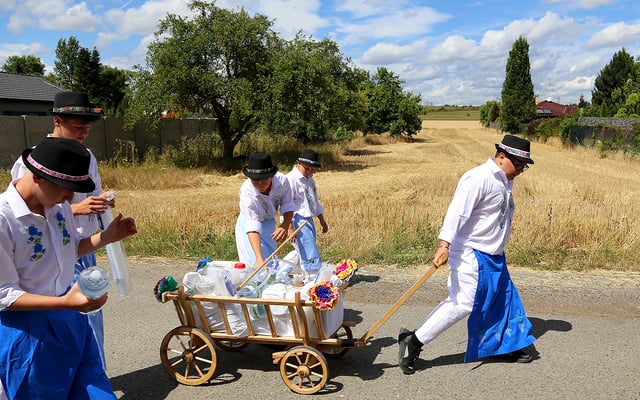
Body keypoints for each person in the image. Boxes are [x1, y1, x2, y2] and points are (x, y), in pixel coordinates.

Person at [0, 137, 138, 399]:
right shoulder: (3, 220)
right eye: (65, 188)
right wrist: (65, 302)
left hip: (72, 322)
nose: (71, 198)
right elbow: (4, 294)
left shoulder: (58, 207)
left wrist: (106, 237)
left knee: (97, 393)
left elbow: (67, 251)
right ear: (37, 177)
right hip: (28, 335)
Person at [398, 134, 537, 375]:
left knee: (500, 301)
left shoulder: (505, 179)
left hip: (494, 256)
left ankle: (502, 345)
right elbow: (457, 213)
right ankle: (414, 340)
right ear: (501, 156)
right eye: (518, 165)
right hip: (471, 253)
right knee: (463, 303)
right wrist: (444, 245)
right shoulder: (478, 178)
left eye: (524, 166)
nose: (520, 171)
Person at [10, 91, 113, 371]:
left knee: (90, 316)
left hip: (82, 245)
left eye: (87, 128)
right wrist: (76, 209)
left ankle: (90, 375)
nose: (83, 132)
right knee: (69, 318)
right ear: (57, 121)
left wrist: (101, 206)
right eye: (78, 126)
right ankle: (79, 376)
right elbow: (29, 211)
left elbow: (89, 194)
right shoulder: (35, 160)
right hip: (51, 251)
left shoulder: (87, 156)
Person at [235, 153, 296, 269]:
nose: (260, 186)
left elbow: (287, 205)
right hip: (249, 227)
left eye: (264, 181)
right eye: (255, 182)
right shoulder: (247, 191)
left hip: (269, 222)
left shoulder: (282, 181)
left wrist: (285, 225)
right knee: (255, 264)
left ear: (271, 177)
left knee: (270, 263)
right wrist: (258, 259)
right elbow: (252, 224)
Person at [286, 149, 328, 275]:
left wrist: (321, 220)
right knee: (308, 251)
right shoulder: (290, 179)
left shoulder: (309, 179)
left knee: (303, 250)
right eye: (307, 168)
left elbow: (314, 201)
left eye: (312, 169)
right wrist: (290, 227)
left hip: (308, 219)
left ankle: (279, 272)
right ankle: (312, 275)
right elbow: (287, 205)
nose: (310, 172)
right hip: (297, 219)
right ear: (298, 163)